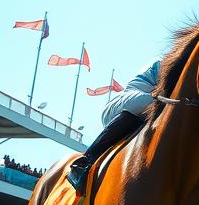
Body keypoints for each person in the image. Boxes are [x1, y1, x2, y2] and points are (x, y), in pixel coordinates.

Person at [65, 60, 160, 192]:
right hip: (124, 101)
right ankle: (83, 163)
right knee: (154, 103)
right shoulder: (165, 62)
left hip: (142, 109)